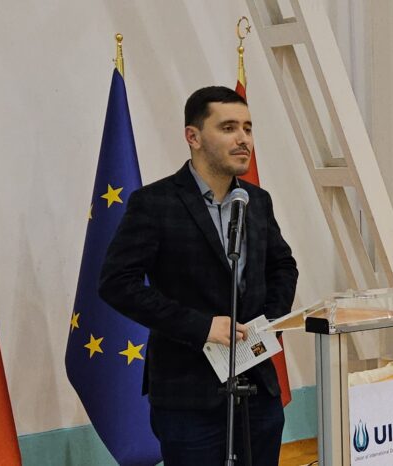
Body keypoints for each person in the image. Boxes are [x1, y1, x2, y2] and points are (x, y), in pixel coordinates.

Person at [99, 86, 298, 466]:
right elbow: (117, 282)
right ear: (193, 137)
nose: (243, 139)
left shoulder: (257, 200)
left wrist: (267, 322)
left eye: (248, 128)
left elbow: (283, 266)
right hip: (187, 391)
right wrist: (201, 326)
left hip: (257, 385)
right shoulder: (155, 203)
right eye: (228, 128)